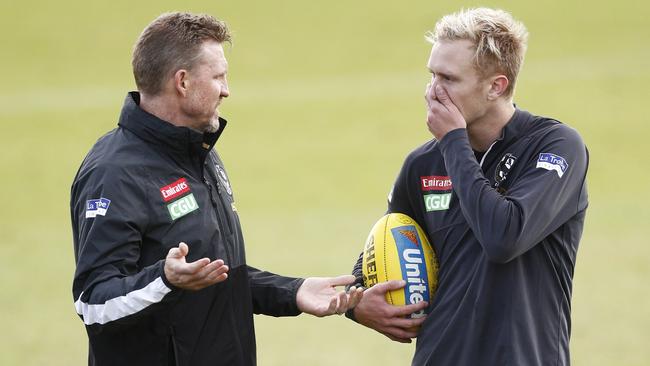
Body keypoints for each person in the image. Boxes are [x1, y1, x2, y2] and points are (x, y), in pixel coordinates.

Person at [70, 12, 363, 366]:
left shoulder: (197, 152)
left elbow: (214, 274)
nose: (227, 89)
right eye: (219, 77)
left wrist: (293, 291)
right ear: (182, 82)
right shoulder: (113, 173)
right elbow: (94, 303)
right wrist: (163, 279)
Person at [347, 8, 589, 366]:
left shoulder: (554, 147)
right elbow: (382, 246)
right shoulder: (423, 164)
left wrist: (454, 143)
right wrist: (357, 302)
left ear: (496, 86)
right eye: (431, 75)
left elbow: (504, 237)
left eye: (448, 79)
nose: (432, 91)